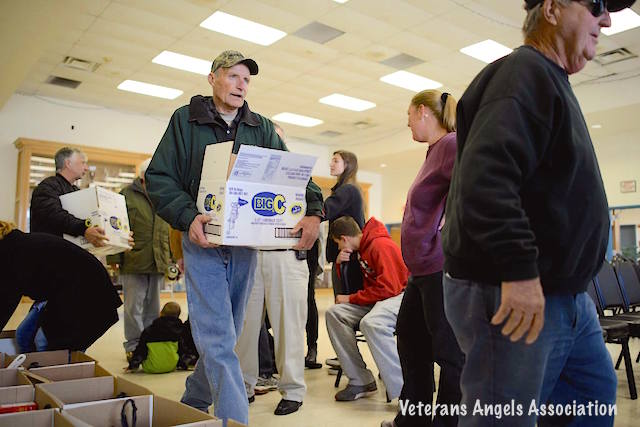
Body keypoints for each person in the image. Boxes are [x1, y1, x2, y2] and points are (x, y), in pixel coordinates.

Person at [442, 1, 633, 426]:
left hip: (564, 293)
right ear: (550, 9)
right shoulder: (522, 74)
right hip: (516, 289)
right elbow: (486, 180)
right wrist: (519, 270)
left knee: (591, 397)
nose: (606, 20)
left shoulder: (550, 80)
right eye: (596, 5)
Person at [145, 50, 323, 426]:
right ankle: (234, 419)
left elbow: (291, 174)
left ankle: (194, 399)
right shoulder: (185, 120)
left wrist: (314, 210)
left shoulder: (261, 127)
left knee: (225, 332)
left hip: (244, 246)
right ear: (212, 78)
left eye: (247, 79)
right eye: (233, 76)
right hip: (203, 242)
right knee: (220, 337)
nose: (242, 85)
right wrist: (187, 216)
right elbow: (160, 178)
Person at [382, 90, 464, 427]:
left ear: (422, 111)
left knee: (448, 351)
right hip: (422, 270)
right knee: (411, 339)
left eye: (409, 115)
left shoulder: (451, 143)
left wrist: (454, 211)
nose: (408, 122)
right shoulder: (433, 151)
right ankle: (413, 419)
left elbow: (475, 176)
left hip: (439, 267)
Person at [235, 122, 313, 416]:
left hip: (286, 257)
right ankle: (243, 386)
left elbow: (317, 209)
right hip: (250, 256)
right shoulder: (246, 174)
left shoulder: (299, 177)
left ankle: (293, 390)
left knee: (288, 327)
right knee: (244, 328)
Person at [20, 147, 110, 351]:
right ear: (68, 163)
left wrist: (114, 236)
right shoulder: (47, 187)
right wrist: (83, 228)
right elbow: (54, 214)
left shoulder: (76, 193)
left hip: (70, 266)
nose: (86, 167)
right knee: (47, 317)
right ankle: (39, 357)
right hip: (50, 266)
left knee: (65, 314)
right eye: (82, 162)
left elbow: (89, 221)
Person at [0, 221, 121, 352]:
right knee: (24, 336)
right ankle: (33, 369)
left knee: (47, 342)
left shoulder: (13, 253)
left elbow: (5, 301)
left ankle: (52, 370)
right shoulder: (12, 246)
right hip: (62, 292)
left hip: (89, 294)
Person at [325, 216, 408, 402]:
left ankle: (404, 391)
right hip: (379, 300)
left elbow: (390, 288)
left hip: (399, 298)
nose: (339, 247)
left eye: (338, 243)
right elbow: (349, 287)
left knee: (371, 323)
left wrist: (352, 298)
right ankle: (360, 380)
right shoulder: (361, 249)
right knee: (334, 314)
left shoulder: (380, 246)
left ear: (344, 238)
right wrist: (339, 263)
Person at [107, 159, 172, 361]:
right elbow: (114, 227)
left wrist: (170, 258)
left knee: (153, 306)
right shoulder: (125, 195)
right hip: (133, 258)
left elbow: (167, 229)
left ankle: (149, 342)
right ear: (144, 175)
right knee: (133, 306)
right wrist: (114, 257)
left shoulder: (163, 194)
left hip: (157, 260)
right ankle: (133, 345)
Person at [323, 150, 365, 369]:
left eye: (336, 160)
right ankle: (345, 358)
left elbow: (324, 210)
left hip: (347, 258)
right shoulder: (346, 189)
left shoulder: (347, 190)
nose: (331, 163)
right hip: (343, 256)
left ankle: (347, 359)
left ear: (348, 164)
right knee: (341, 309)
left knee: (343, 309)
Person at [126, 301, 184, 374]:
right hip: (171, 366)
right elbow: (181, 350)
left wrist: (133, 364)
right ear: (178, 316)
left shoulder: (150, 330)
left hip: (150, 367)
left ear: (160, 313)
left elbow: (141, 350)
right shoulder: (180, 330)